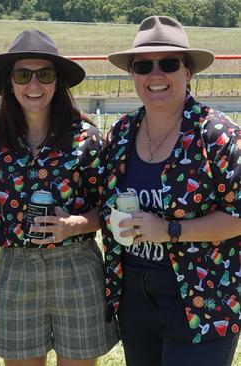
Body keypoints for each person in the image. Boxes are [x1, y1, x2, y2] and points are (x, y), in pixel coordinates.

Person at [0, 30, 119, 366]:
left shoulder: (84, 138)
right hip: (17, 267)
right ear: (9, 83)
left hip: (76, 265)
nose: (34, 85)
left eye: (44, 74)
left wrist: (73, 225)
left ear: (58, 82)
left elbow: (108, 207)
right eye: (23, 74)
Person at [101, 16, 241, 366]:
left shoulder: (217, 135)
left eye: (168, 64)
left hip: (203, 296)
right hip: (135, 293)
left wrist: (170, 231)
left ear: (188, 71)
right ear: (132, 74)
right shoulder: (121, 134)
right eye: (144, 66)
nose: (155, 75)